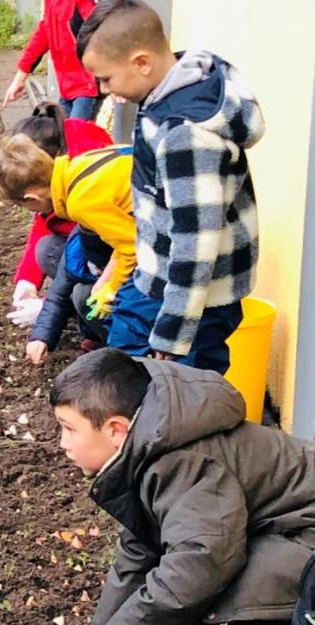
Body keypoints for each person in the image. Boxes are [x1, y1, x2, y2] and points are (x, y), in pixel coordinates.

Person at [49, 349, 315, 625]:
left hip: (308, 542)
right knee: (185, 588)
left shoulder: (179, 461)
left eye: (69, 429)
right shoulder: (150, 441)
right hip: (289, 533)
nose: (62, 444)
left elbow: (199, 565)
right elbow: (141, 548)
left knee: (201, 594)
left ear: (115, 430)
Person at [76, 0, 263, 375]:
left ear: (141, 62)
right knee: (135, 376)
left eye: (107, 78)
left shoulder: (186, 135)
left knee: (182, 399)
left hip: (192, 302)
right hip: (165, 282)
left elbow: (196, 244)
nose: (103, 90)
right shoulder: (169, 90)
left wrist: (172, 336)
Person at [0, 134, 137, 365]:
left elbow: (131, 243)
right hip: (156, 220)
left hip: (165, 240)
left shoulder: (82, 202)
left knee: (90, 298)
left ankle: (125, 357)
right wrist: (42, 335)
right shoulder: (78, 167)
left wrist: (109, 287)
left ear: (32, 197)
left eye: (25, 206)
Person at [6, 101, 113, 331]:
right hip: (96, 258)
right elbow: (44, 222)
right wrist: (27, 281)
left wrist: (50, 307)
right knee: (46, 250)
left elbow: (124, 260)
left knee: (84, 297)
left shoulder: (90, 196)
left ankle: (110, 340)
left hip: (118, 268)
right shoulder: (57, 178)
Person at [3, 0, 102, 120]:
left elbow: (101, 34)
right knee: (60, 134)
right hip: (67, 89)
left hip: (87, 87)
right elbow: (41, 38)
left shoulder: (82, 3)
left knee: (75, 135)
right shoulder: (51, 3)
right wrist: (19, 79)